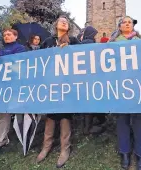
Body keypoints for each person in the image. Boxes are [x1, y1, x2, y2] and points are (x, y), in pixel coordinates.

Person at [37, 16, 80, 168]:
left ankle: (65, 148)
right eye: (61, 20)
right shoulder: (48, 42)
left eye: (66, 21)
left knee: (65, 114)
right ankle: (46, 146)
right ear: (56, 25)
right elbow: (37, 60)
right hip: (50, 83)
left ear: (68, 27)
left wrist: (69, 50)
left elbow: (83, 57)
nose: (63, 22)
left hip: (67, 83)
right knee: (50, 113)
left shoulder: (74, 40)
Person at [109, 16, 141, 170]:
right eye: (124, 22)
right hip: (120, 85)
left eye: (129, 22)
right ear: (119, 27)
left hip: (139, 85)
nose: (127, 23)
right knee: (122, 119)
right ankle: (124, 152)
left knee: (140, 119)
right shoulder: (113, 43)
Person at [80, 26, 107, 136]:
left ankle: (87, 126)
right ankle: (91, 127)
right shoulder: (94, 45)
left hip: (82, 78)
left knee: (87, 103)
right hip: (93, 78)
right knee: (93, 101)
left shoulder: (79, 45)